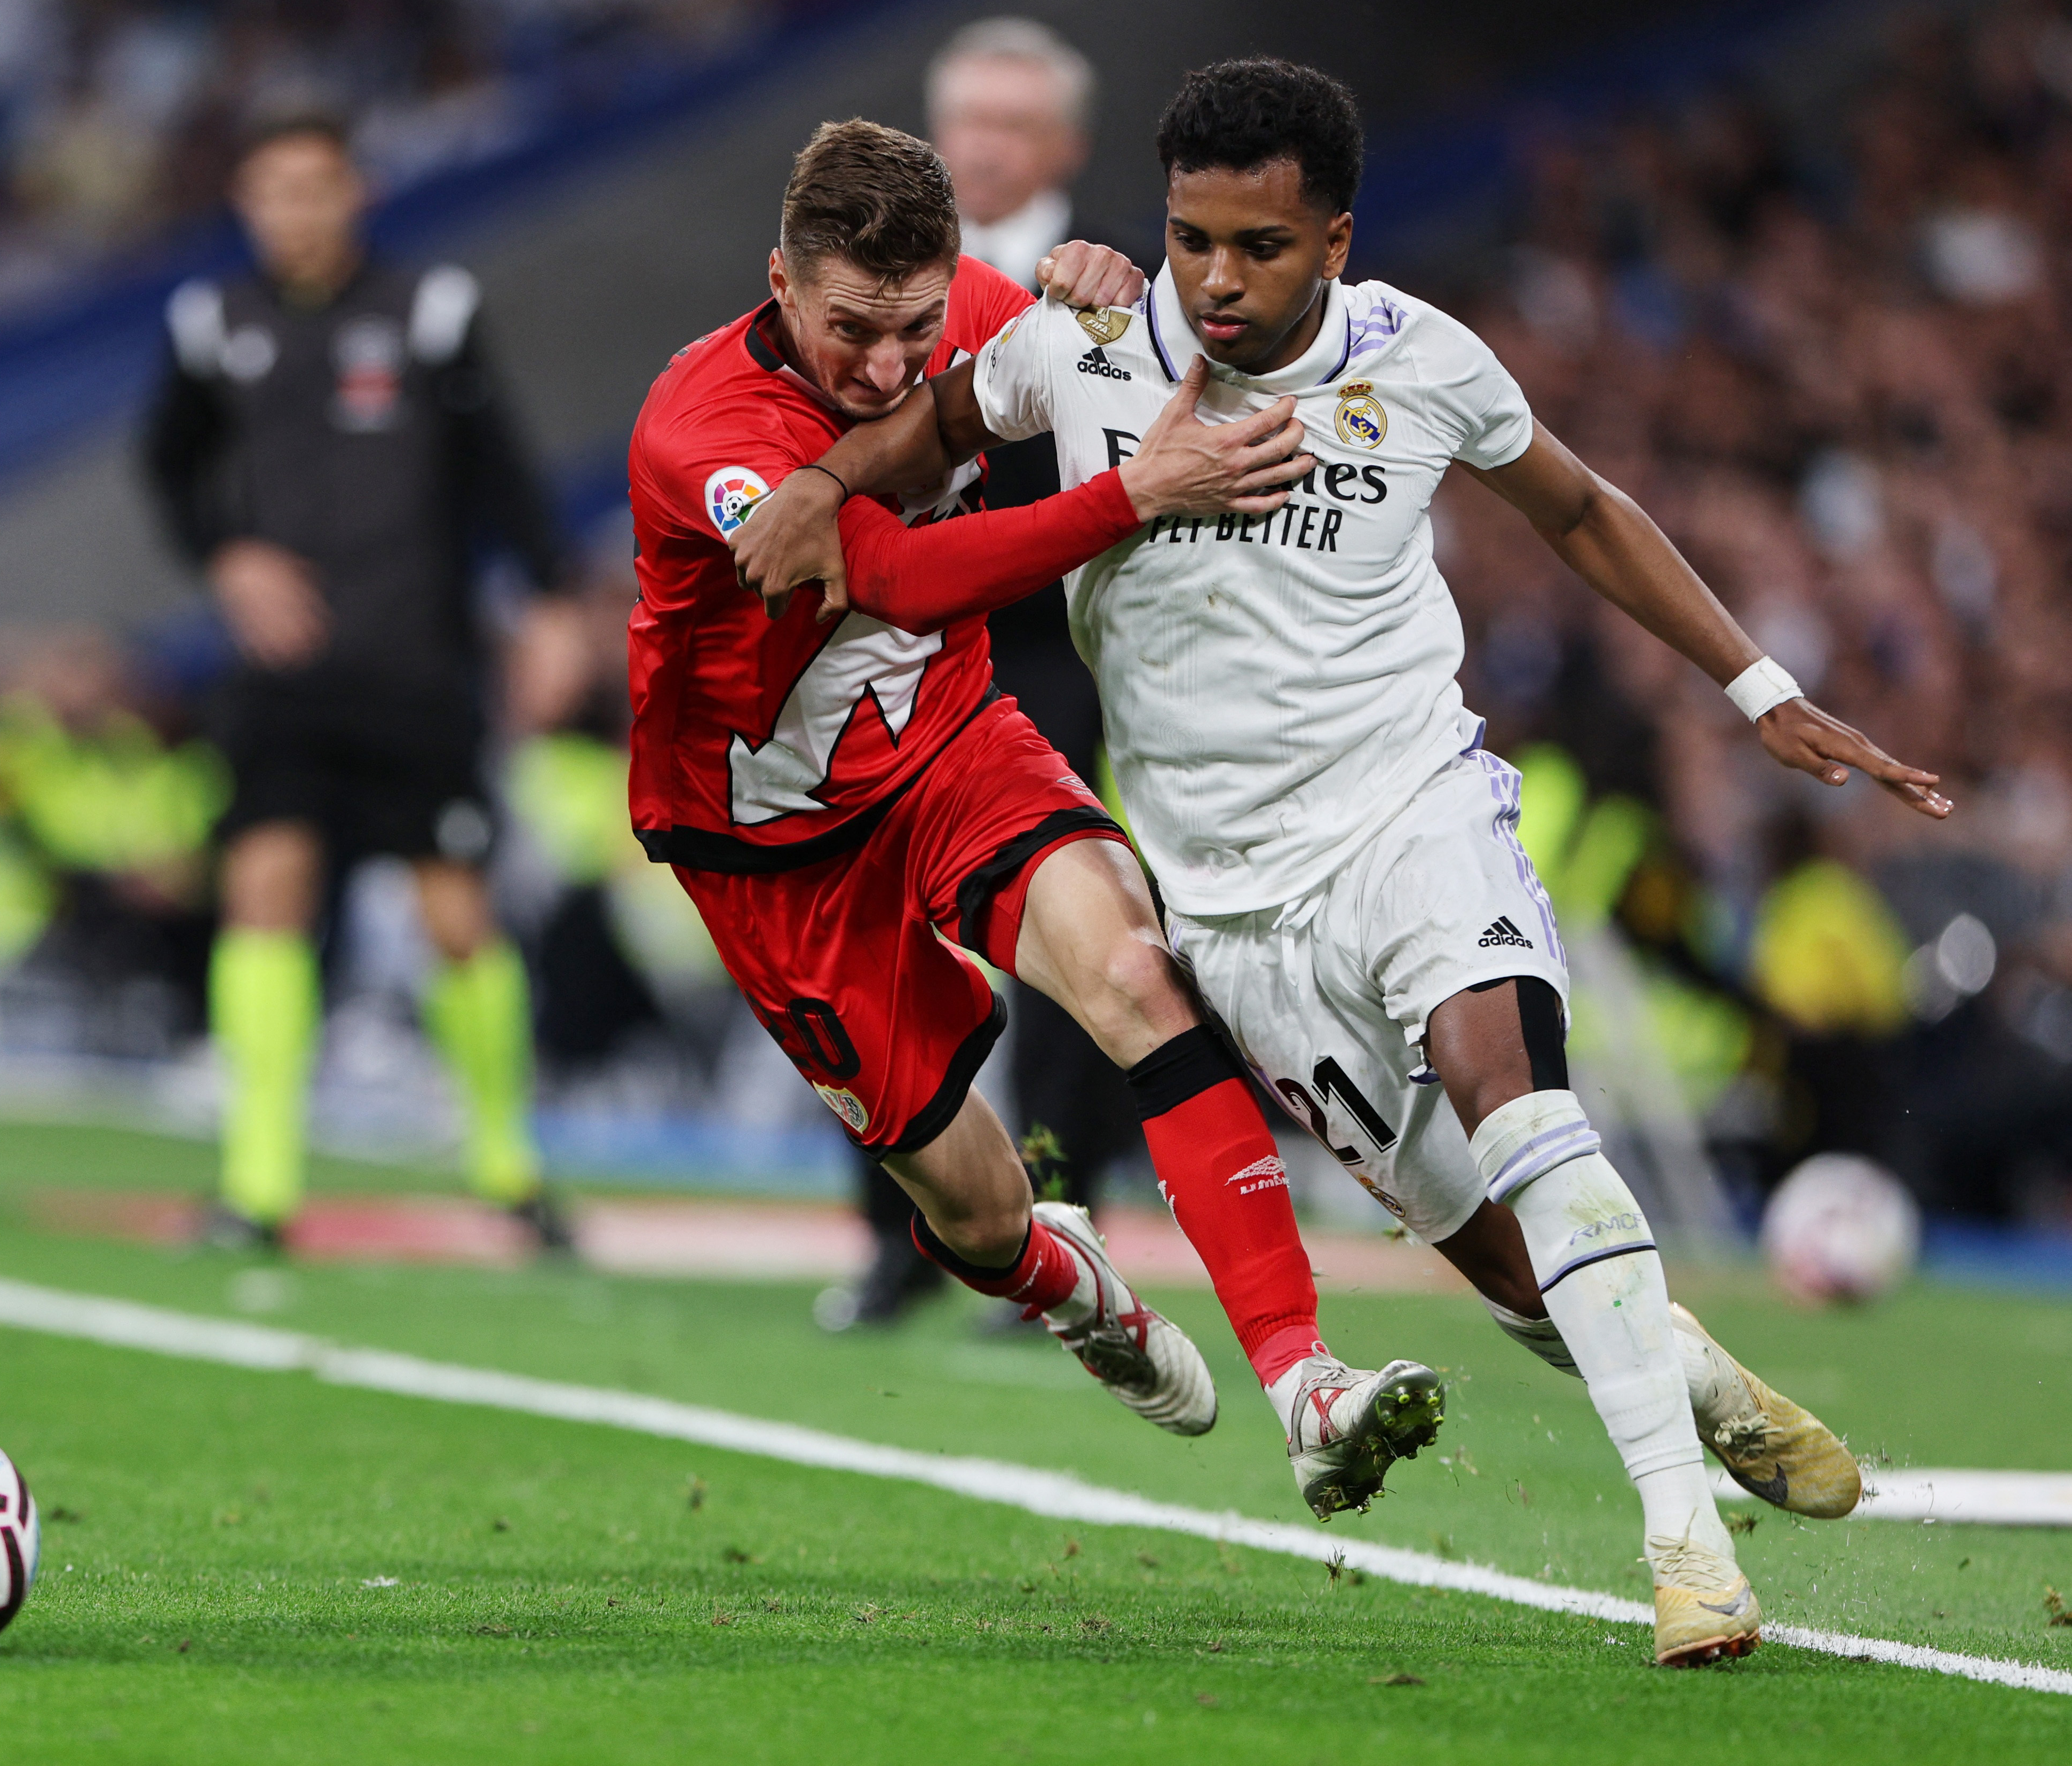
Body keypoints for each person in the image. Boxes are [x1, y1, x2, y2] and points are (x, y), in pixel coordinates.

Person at [730, 60, 1940, 1667]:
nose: (1217, 280)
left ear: (1337, 240)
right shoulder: (1079, 343)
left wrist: (1761, 690)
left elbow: (1579, 510)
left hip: (1409, 808)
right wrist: (818, 484)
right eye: (1189, 240)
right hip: (1230, 899)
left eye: (1260, 247)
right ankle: (1695, 1381)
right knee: (1491, 1247)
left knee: (1509, 1089)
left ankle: (1684, 1543)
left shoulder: (1423, 360)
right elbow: (928, 425)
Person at [630, 117, 1448, 1517]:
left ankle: (1305, 1380)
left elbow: (1151, 382)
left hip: (955, 744)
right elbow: (896, 575)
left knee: (1136, 974)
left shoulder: (988, 313)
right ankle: (1063, 1278)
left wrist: (1114, 304)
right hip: (770, 845)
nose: (889, 366)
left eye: (915, 327)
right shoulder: (701, 429)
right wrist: (1134, 493)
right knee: (975, 1212)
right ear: (780, 282)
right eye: (849, 332)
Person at [144, 115, 573, 1253]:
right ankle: (259, 1181)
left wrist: (546, 601)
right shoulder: (211, 325)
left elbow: (501, 468)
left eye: (313, 188)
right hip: (279, 674)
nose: (293, 211)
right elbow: (168, 466)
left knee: (453, 909)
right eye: (271, 190)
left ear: (355, 194)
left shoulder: (430, 313)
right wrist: (228, 556)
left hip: (414, 661)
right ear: (244, 201)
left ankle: (508, 1169)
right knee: (264, 889)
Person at [829, 19, 1147, 1332]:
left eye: (1014, 125)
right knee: (869, 926)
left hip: (1048, 643)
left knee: (1068, 930)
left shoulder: (1130, 282)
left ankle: (1060, 1214)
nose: (986, 147)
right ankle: (901, 1232)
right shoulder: (868, 273)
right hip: (889, 644)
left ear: (1062, 145)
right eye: (967, 122)